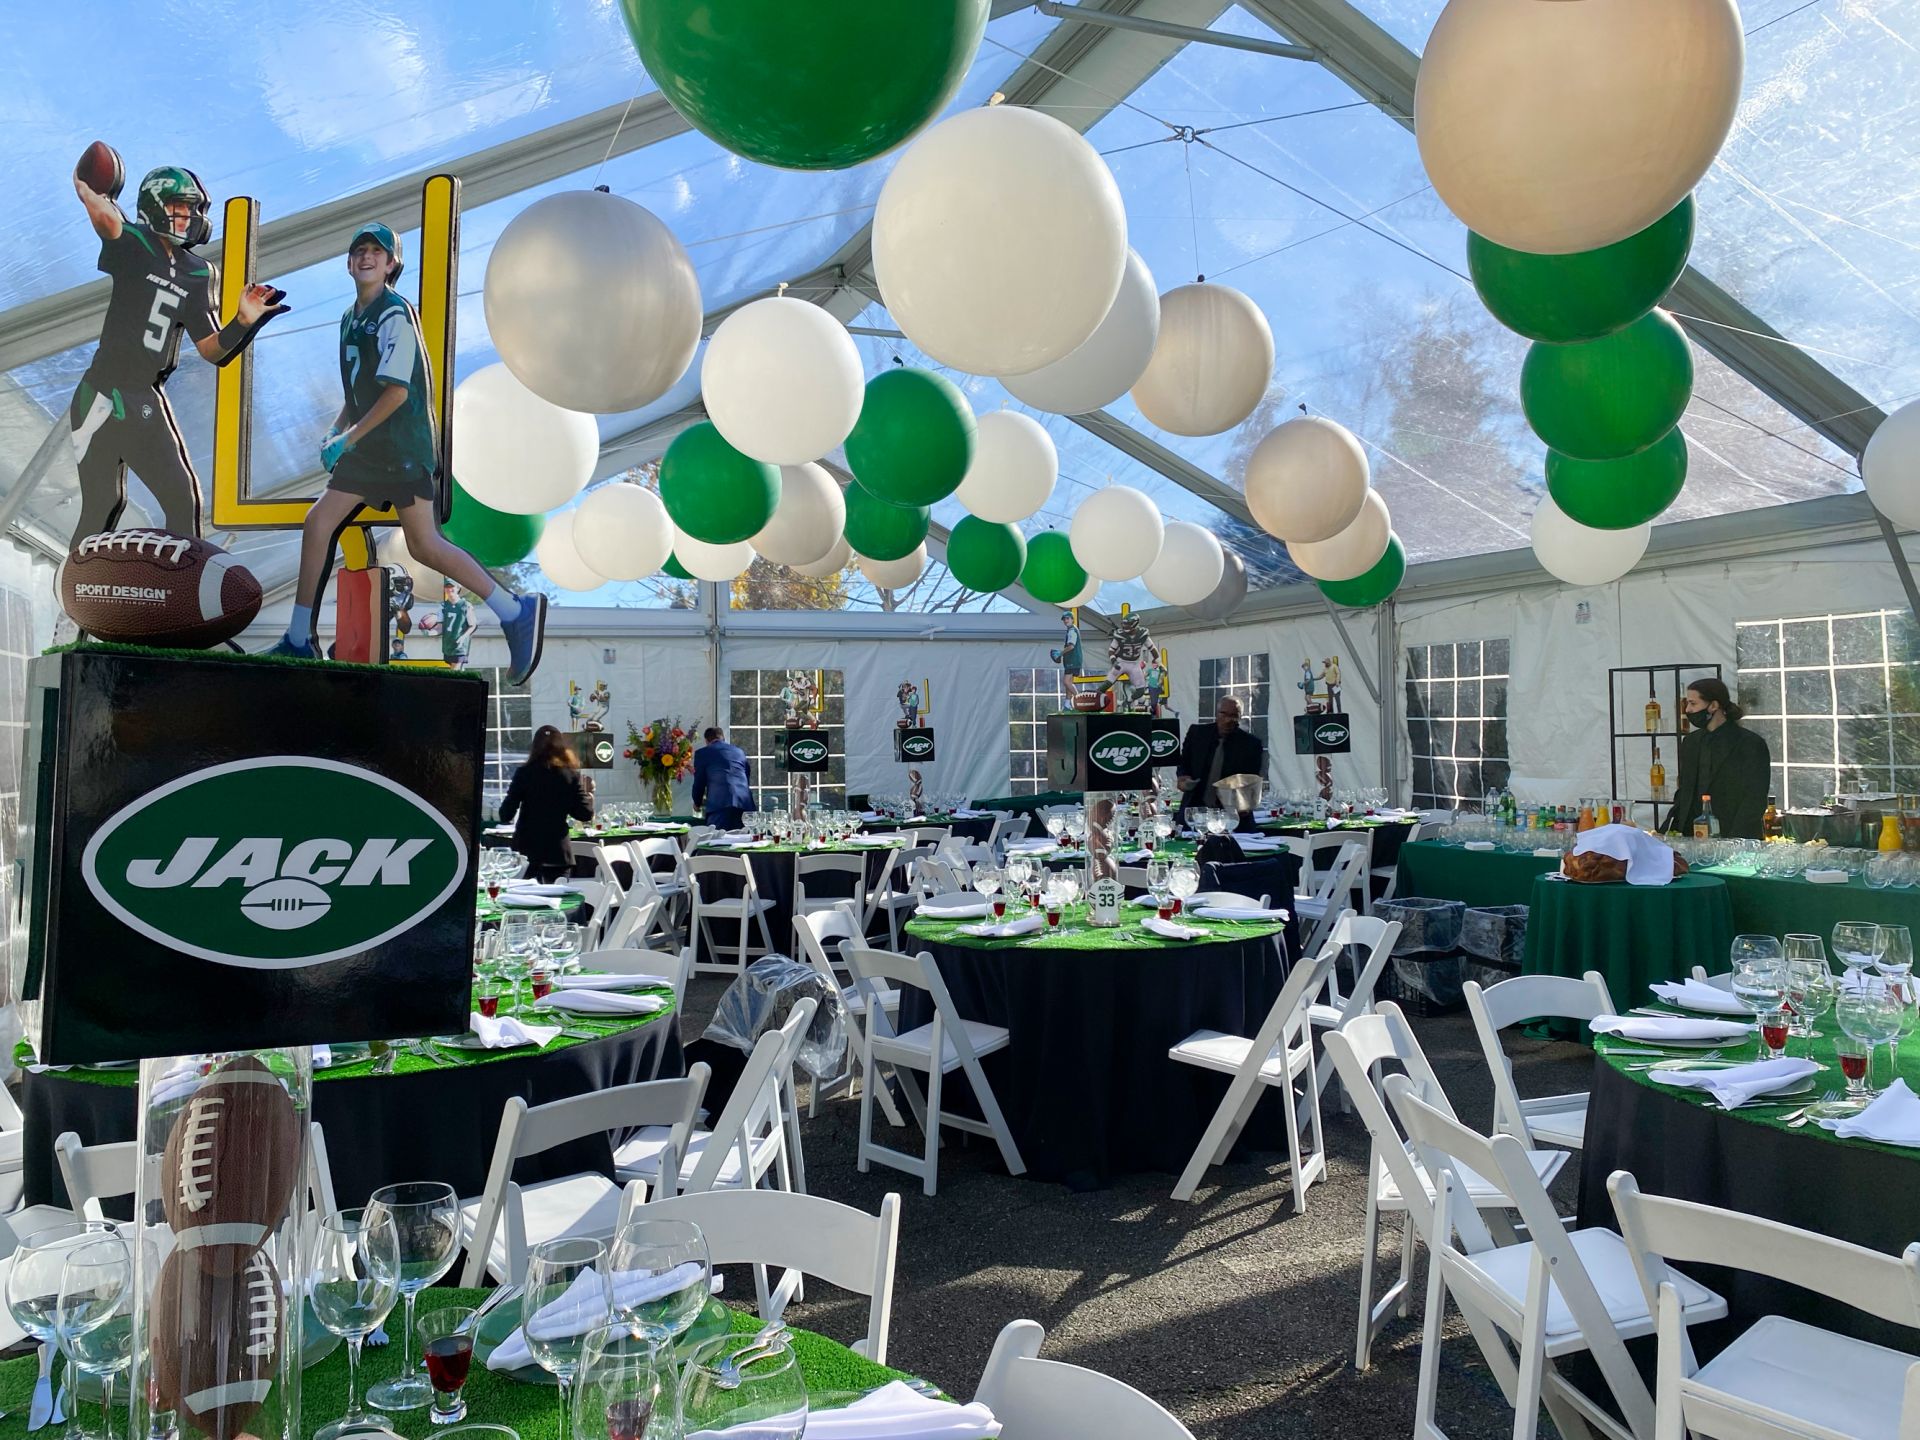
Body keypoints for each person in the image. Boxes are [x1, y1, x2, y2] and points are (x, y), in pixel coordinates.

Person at [266, 221, 546, 684]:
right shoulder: (349, 317)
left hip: (401, 448)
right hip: (367, 447)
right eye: (359, 251)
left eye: (377, 251)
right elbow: (358, 389)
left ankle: (515, 610)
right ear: (349, 262)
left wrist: (347, 438)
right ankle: (299, 637)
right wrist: (336, 429)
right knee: (318, 522)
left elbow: (395, 394)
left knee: (424, 543)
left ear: (393, 263)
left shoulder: (395, 313)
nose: (367, 257)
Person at [70, 163, 289, 541]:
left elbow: (211, 349)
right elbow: (105, 218)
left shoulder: (198, 273)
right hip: (100, 392)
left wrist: (244, 320)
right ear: (155, 204)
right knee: (102, 503)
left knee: (182, 499)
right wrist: (87, 186)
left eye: (192, 208)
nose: (187, 215)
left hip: (143, 393)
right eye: (179, 205)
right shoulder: (134, 243)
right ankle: (74, 595)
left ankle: (181, 589)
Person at [1663, 677, 1771, 840]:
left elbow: (1755, 797)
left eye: (1693, 703)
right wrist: (1672, 830)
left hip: (1734, 834)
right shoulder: (1691, 742)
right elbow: (1685, 790)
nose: (1687, 710)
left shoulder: (1750, 743)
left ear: (1713, 705)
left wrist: (1736, 840)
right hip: (1692, 834)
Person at [499, 726, 594, 883]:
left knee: (524, 901)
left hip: (526, 850)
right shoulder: (570, 776)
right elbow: (585, 814)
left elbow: (506, 814)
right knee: (558, 902)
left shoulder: (524, 773)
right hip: (557, 851)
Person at [1176, 696, 1264, 820]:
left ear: (1239, 717)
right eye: (1224, 714)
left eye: (1233, 716)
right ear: (1217, 714)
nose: (1228, 720)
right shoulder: (1197, 734)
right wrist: (1183, 778)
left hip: (1232, 814)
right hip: (1195, 811)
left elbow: (1251, 780)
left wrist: (1245, 802)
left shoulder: (1250, 745)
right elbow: (1183, 763)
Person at [692, 727, 754, 831]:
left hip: (720, 805)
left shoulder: (702, 753)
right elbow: (746, 776)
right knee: (745, 842)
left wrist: (697, 803)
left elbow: (699, 782)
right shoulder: (739, 752)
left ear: (706, 741)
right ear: (723, 738)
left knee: (717, 842)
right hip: (745, 804)